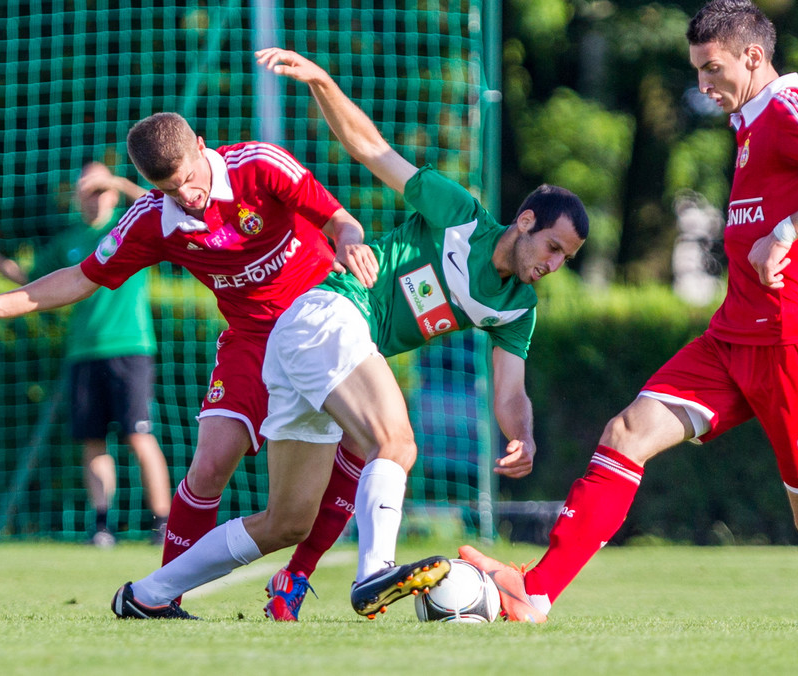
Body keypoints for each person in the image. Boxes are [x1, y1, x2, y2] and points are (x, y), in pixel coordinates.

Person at [460, 0, 798, 624]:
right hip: (732, 339)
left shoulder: (788, 111)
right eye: (697, 72)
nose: (703, 86)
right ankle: (537, 592)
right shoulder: (748, 123)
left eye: (712, 70)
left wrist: (791, 234)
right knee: (625, 435)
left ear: (753, 57)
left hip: (795, 344)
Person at [106, 47, 588, 621]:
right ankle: (374, 573)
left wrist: (523, 436)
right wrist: (321, 82)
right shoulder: (461, 216)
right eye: (554, 247)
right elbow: (371, 147)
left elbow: (511, 394)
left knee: (287, 520)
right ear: (526, 221)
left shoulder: (517, 308)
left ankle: (146, 596)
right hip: (328, 313)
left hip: (310, 344)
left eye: (568, 258)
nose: (554, 263)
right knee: (396, 442)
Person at [0, 112, 378, 619]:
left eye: (189, 178)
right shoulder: (150, 219)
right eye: (169, 188)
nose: (186, 195)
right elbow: (79, 278)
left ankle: (302, 575)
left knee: (364, 441)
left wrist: (348, 240)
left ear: (202, 147)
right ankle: (161, 599)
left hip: (319, 317)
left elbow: (338, 217)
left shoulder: (259, 165)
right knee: (208, 467)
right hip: (251, 343)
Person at [0, 162, 170, 546]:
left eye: (101, 191)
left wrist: (116, 179)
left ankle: (164, 523)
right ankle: (101, 527)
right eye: (88, 191)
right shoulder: (68, 241)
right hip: (83, 352)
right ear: (77, 198)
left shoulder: (131, 227)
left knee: (139, 436)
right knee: (92, 440)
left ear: (114, 194)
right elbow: (31, 283)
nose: (95, 198)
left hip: (130, 348)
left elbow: (168, 204)